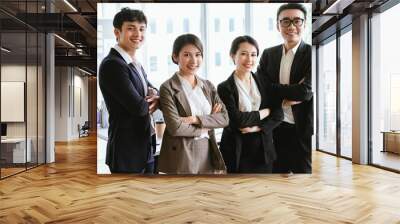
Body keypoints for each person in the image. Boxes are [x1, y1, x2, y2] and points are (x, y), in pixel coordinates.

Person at [99, 8, 159, 173]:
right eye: (131, 28)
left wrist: (155, 96)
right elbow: (139, 108)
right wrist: (154, 100)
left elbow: (154, 90)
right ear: (117, 32)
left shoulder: (134, 63)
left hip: (144, 146)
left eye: (141, 29)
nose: (138, 34)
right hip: (127, 152)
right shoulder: (113, 64)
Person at [158, 34, 229, 174]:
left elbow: (224, 118)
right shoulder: (167, 87)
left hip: (208, 151)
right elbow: (176, 127)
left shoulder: (208, 86)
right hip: (183, 153)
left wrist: (196, 119)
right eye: (187, 55)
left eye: (198, 54)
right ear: (175, 57)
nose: (194, 60)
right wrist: (207, 126)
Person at [256, 3, 313, 174]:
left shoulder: (311, 53)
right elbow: (261, 88)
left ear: (305, 24)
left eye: (297, 21)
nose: (291, 27)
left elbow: (305, 91)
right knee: (276, 175)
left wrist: (274, 89)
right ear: (277, 25)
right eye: (285, 21)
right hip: (275, 126)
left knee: (303, 175)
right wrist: (289, 92)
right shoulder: (268, 54)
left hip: (301, 128)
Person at [217, 36, 283, 173]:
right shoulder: (224, 87)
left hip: (263, 150)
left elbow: (279, 113)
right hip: (236, 151)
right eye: (243, 54)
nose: (249, 59)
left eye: (253, 55)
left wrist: (258, 128)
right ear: (233, 56)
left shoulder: (264, 82)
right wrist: (265, 112)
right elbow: (237, 119)